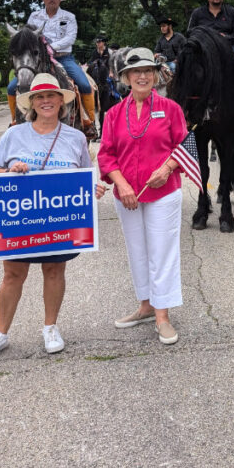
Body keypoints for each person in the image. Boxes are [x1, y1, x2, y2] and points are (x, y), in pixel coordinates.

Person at [0, 73, 107, 361]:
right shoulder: (14, 134)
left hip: (57, 222)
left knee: (54, 270)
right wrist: (10, 171)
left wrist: (93, 188)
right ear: (32, 103)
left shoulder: (75, 138)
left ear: (62, 101)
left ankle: (50, 327)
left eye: (51, 96)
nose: (46, 101)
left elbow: (83, 177)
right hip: (20, 219)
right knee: (13, 274)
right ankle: (0, 333)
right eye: (40, 97)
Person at [98, 48, 189, 345]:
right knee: (137, 250)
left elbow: (185, 147)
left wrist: (168, 168)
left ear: (155, 76)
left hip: (163, 191)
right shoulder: (113, 114)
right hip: (128, 195)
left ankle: (163, 315)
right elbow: (106, 155)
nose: (142, 76)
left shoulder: (171, 109)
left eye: (148, 71)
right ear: (125, 78)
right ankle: (145, 305)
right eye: (135, 72)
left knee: (162, 251)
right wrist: (121, 184)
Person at [6, 0, 96, 133]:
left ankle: (88, 121)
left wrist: (52, 47)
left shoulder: (69, 17)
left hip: (63, 58)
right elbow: (27, 38)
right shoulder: (34, 16)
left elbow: (70, 37)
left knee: (84, 84)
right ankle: (15, 120)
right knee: (11, 88)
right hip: (37, 59)